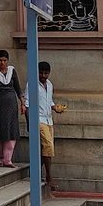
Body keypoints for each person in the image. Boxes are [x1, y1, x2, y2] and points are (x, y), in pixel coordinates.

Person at [35, 61, 67, 193]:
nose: (43, 75)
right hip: (39, 119)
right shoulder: (32, 84)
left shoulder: (49, 85)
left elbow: (49, 101)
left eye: (46, 73)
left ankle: (38, 172)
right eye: (41, 73)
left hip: (49, 120)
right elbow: (27, 104)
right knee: (48, 146)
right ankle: (48, 175)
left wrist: (55, 108)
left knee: (46, 148)